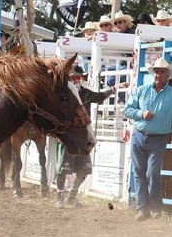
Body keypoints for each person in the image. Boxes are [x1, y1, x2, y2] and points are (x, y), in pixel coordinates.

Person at [55, 64, 127, 208]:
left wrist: (114, 88)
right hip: (69, 135)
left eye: (79, 77)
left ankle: (71, 196)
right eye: (74, 77)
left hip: (83, 136)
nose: (77, 80)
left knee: (85, 169)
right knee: (64, 168)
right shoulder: (64, 94)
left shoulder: (86, 93)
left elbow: (100, 97)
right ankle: (60, 198)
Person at [123, 57, 172, 222]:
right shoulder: (141, 90)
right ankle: (142, 209)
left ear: (167, 74)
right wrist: (140, 113)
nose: (158, 75)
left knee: (152, 173)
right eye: (156, 71)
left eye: (162, 72)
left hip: (159, 138)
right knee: (139, 172)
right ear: (153, 73)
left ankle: (155, 208)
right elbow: (127, 110)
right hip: (138, 135)